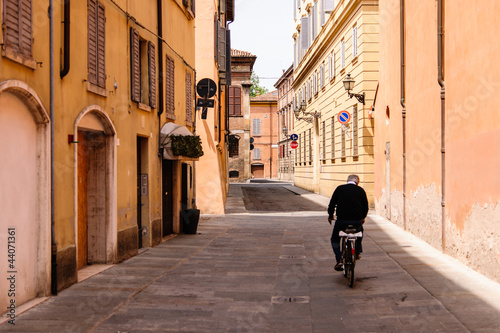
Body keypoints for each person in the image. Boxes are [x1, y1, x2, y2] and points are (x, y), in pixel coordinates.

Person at [328, 174, 369, 271]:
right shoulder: (361, 190)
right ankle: (357, 251)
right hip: (356, 220)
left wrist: (330, 215)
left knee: (334, 239)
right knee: (359, 233)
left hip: (342, 220)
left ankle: (339, 260)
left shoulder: (339, 189)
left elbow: (332, 204)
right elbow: (366, 206)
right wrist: (363, 217)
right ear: (357, 182)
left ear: (347, 181)